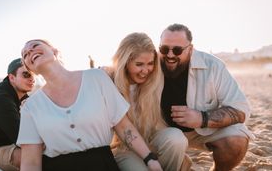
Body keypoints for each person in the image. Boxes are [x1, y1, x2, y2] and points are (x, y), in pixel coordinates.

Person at [17, 39, 163, 171]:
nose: (30, 52)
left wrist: (149, 158)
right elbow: (30, 162)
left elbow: (124, 127)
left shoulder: (97, 78)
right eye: (25, 54)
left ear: (54, 50)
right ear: (30, 68)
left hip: (102, 164)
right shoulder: (30, 107)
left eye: (35, 46)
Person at [159, 23, 254, 171]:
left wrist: (202, 118)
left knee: (236, 140)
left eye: (177, 50)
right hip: (162, 132)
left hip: (202, 131)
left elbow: (241, 109)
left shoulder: (213, 66)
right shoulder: (150, 64)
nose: (170, 55)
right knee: (173, 139)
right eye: (164, 49)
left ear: (190, 49)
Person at [103, 32, 189, 171]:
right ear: (124, 62)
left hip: (150, 139)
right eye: (139, 64)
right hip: (123, 148)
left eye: (150, 63)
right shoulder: (109, 83)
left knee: (176, 139)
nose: (146, 70)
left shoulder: (154, 81)